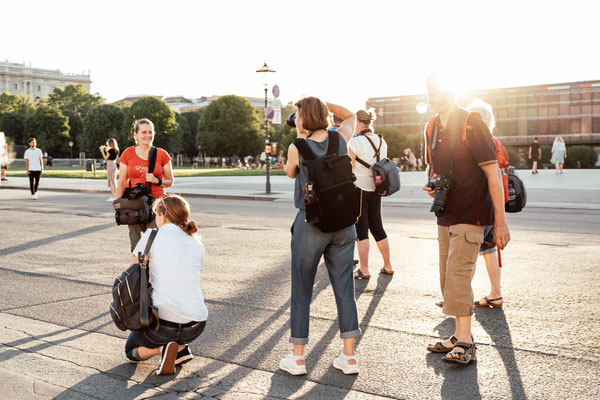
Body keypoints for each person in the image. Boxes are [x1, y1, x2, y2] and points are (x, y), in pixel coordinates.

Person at [422, 74, 510, 365]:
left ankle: (465, 341)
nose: (436, 95)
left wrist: (500, 222)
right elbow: (434, 167)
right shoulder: (432, 126)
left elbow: (492, 173)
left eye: (441, 89)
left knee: (459, 273)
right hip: (445, 213)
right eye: (431, 90)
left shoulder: (471, 123)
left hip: (472, 213)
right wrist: (433, 183)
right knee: (448, 278)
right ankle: (457, 335)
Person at [282, 97, 360, 375]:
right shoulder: (341, 139)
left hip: (311, 223)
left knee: (302, 289)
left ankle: (298, 358)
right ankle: (349, 356)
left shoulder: (297, 146)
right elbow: (351, 116)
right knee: (345, 289)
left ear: (303, 117)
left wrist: (301, 136)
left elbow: (291, 173)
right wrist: (325, 103)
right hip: (343, 223)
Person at [124, 194, 208, 375]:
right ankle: (180, 349)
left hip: (161, 326)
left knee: (130, 351)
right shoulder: (196, 243)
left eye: (156, 214)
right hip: (196, 324)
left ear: (162, 215)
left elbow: (131, 271)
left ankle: (163, 350)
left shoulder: (151, 237)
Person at [466, 99, 506, 309]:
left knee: (468, 251)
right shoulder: (496, 142)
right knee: (488, 248)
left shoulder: (478, 142)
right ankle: (495, 293)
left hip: (479, 203)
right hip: (494, 204)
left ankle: (459, 297)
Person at [348, 109, 394, 279]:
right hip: (377, 189)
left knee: (361, 230)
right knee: (377, 226)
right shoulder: (382, 141)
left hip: (359, 189)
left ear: (358, 122)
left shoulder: (355, 142)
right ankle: (388, 265)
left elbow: (348, 167)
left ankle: (364, 270)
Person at [117, 119, 174, 252]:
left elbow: (170, 181)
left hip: (156, 204)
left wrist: (157, 180)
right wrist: (119, 205)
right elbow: (122, 182)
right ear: (136, 135)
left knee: (155, 243)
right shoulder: (127, 154)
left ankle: (154, 271)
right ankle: (139, 270)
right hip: (134, 204)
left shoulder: (161, 154)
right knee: (136, 244)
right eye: (143, 132)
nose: (147, 135)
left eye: (150, 132)